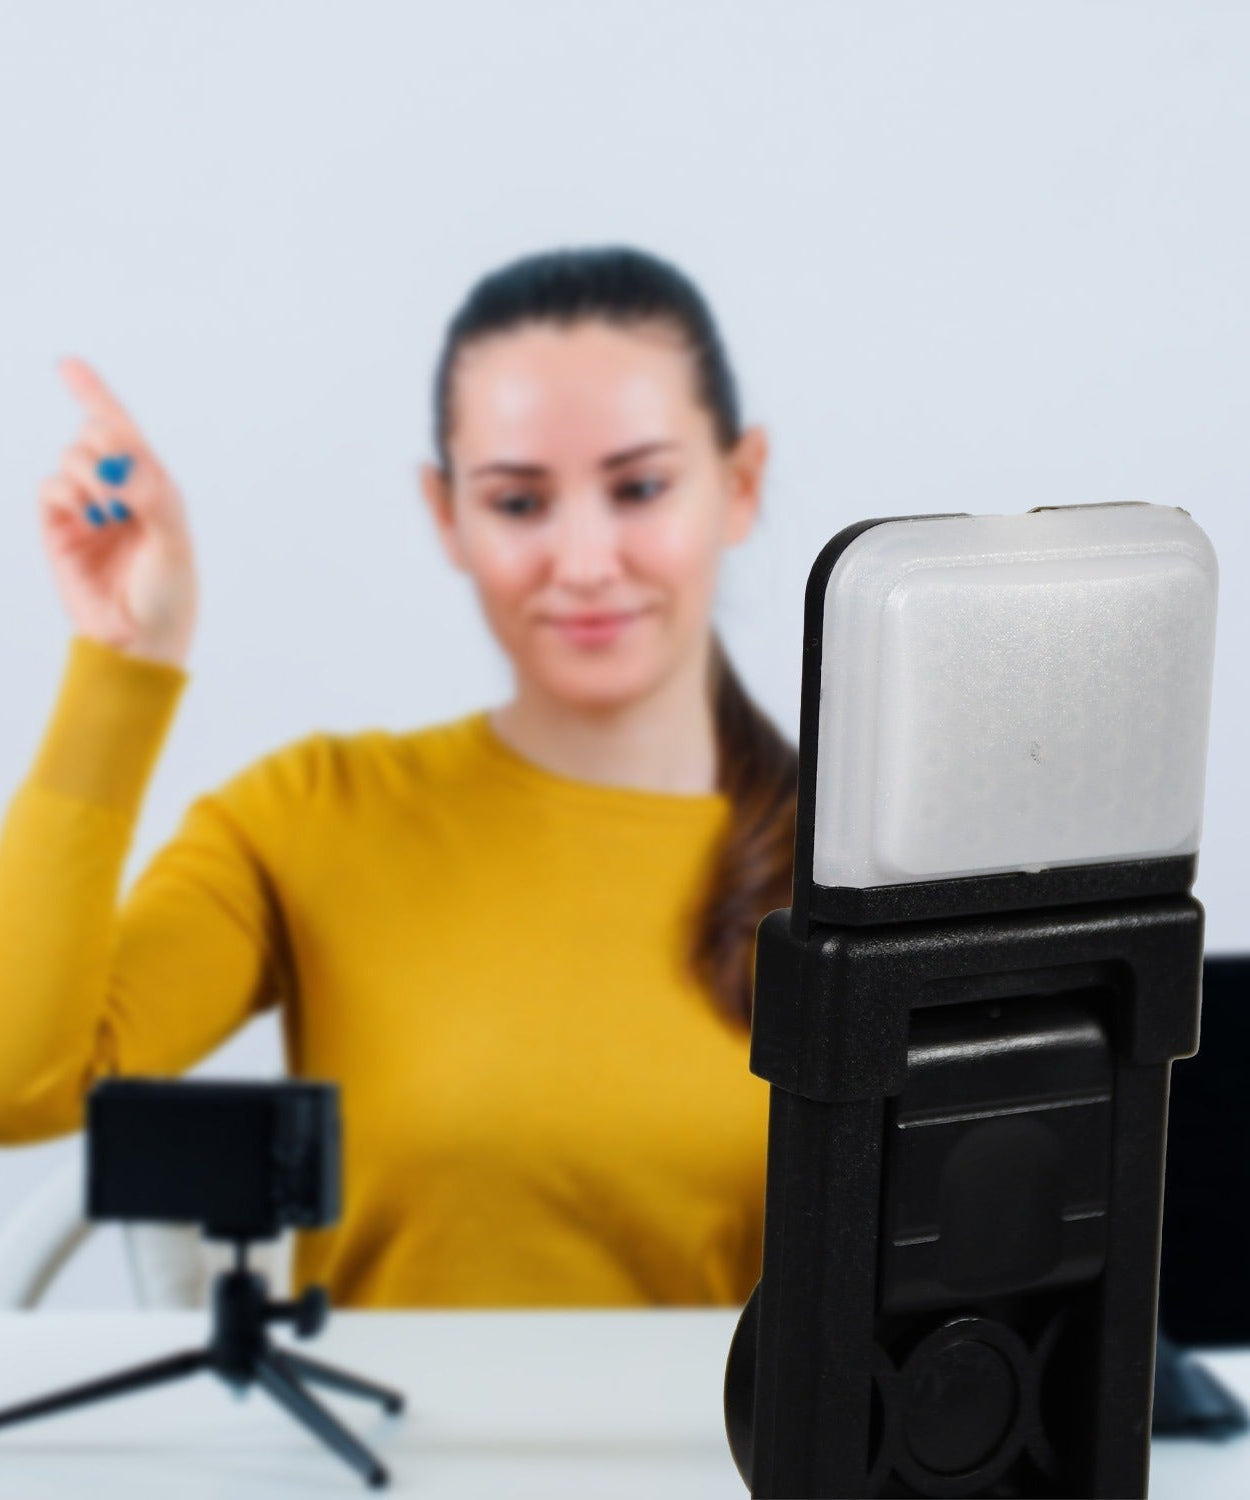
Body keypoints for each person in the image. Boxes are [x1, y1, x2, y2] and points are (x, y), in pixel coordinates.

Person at [0, 245, 798, 1308]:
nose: (586, 560)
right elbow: (20, 1084)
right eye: (518, 502)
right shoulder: (310, 816)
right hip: (381, 1472)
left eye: (639, 487)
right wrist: (124, 668)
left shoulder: (861, 866)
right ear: (445, 513)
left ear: (737, 486)